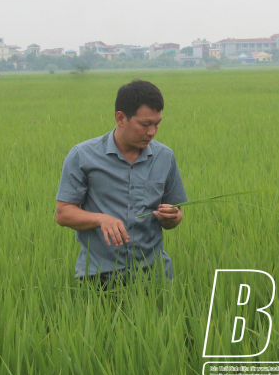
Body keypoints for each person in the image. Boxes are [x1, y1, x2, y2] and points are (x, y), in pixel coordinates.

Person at [55, 79, 187, 289]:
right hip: (99, 277)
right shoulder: (83, 156)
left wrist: (172, 216)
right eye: (145, 124)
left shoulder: (164, 157)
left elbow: (176, 214)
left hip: (154, 276)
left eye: (157, 123)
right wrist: (101, 219)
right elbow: (63, 213)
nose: (152, 132)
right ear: (121, 118)